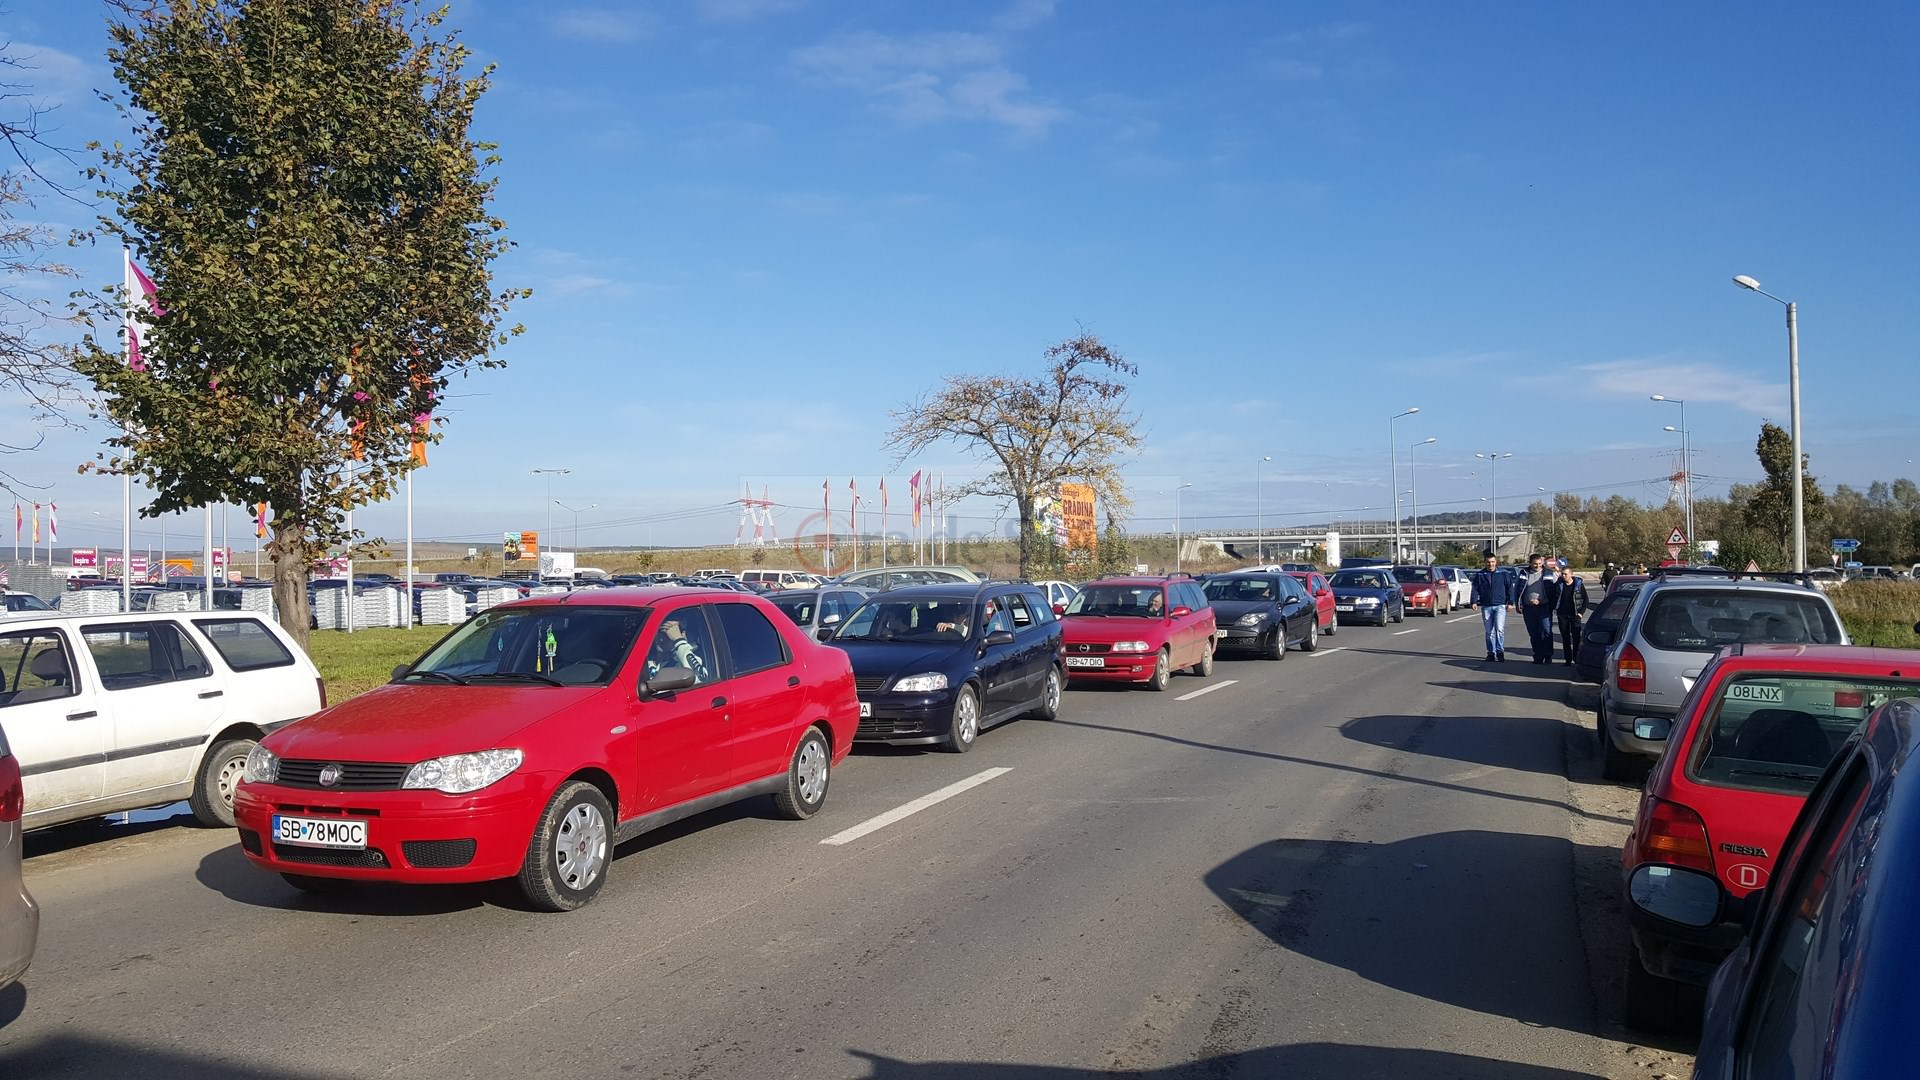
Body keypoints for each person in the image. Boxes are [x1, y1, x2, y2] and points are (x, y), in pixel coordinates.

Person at [1470, 552, 1518, 661]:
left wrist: (1510, 602)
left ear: (1496, 562)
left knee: (1499, 630)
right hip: (1486, 606)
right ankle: (1491, 653)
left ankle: (1500, 652)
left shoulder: (1503, 574)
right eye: (1488, 562)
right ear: (1485, 562)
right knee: (1489, 631)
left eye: (1492, 562)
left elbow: (1509, 588)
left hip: (1500, 606)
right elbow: (1475, 589)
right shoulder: (1480, 575)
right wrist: (1473, 601)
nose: (1490, 564)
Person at [1518, 552, 1558, 664]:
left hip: (1544, 607)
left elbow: (1556, 590)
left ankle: (1548, 655)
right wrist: (1519, 604)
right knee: (1534, 633)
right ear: (1530, 563)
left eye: (1540, 564)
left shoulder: (1549, 573)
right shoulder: (1523, 573)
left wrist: (1542, 600)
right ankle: (1538, 655)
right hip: (1529, 608)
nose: (1538, 566)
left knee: (1546, 631)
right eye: (1535, 564)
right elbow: (1518, 589)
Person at [1553, 561, 1590, 665]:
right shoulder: (1559, 584)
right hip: (1562, 614)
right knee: (1565, 637)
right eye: (1562, 574)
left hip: (1575, 614)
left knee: (1576, 637)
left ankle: (1576, 658)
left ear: (1571, 574)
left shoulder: (1578, 584)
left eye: (1565, 574)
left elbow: (1585, 599)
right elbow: (1553, 596)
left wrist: (1581, 613)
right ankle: (1568, 659)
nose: (1563, 576)